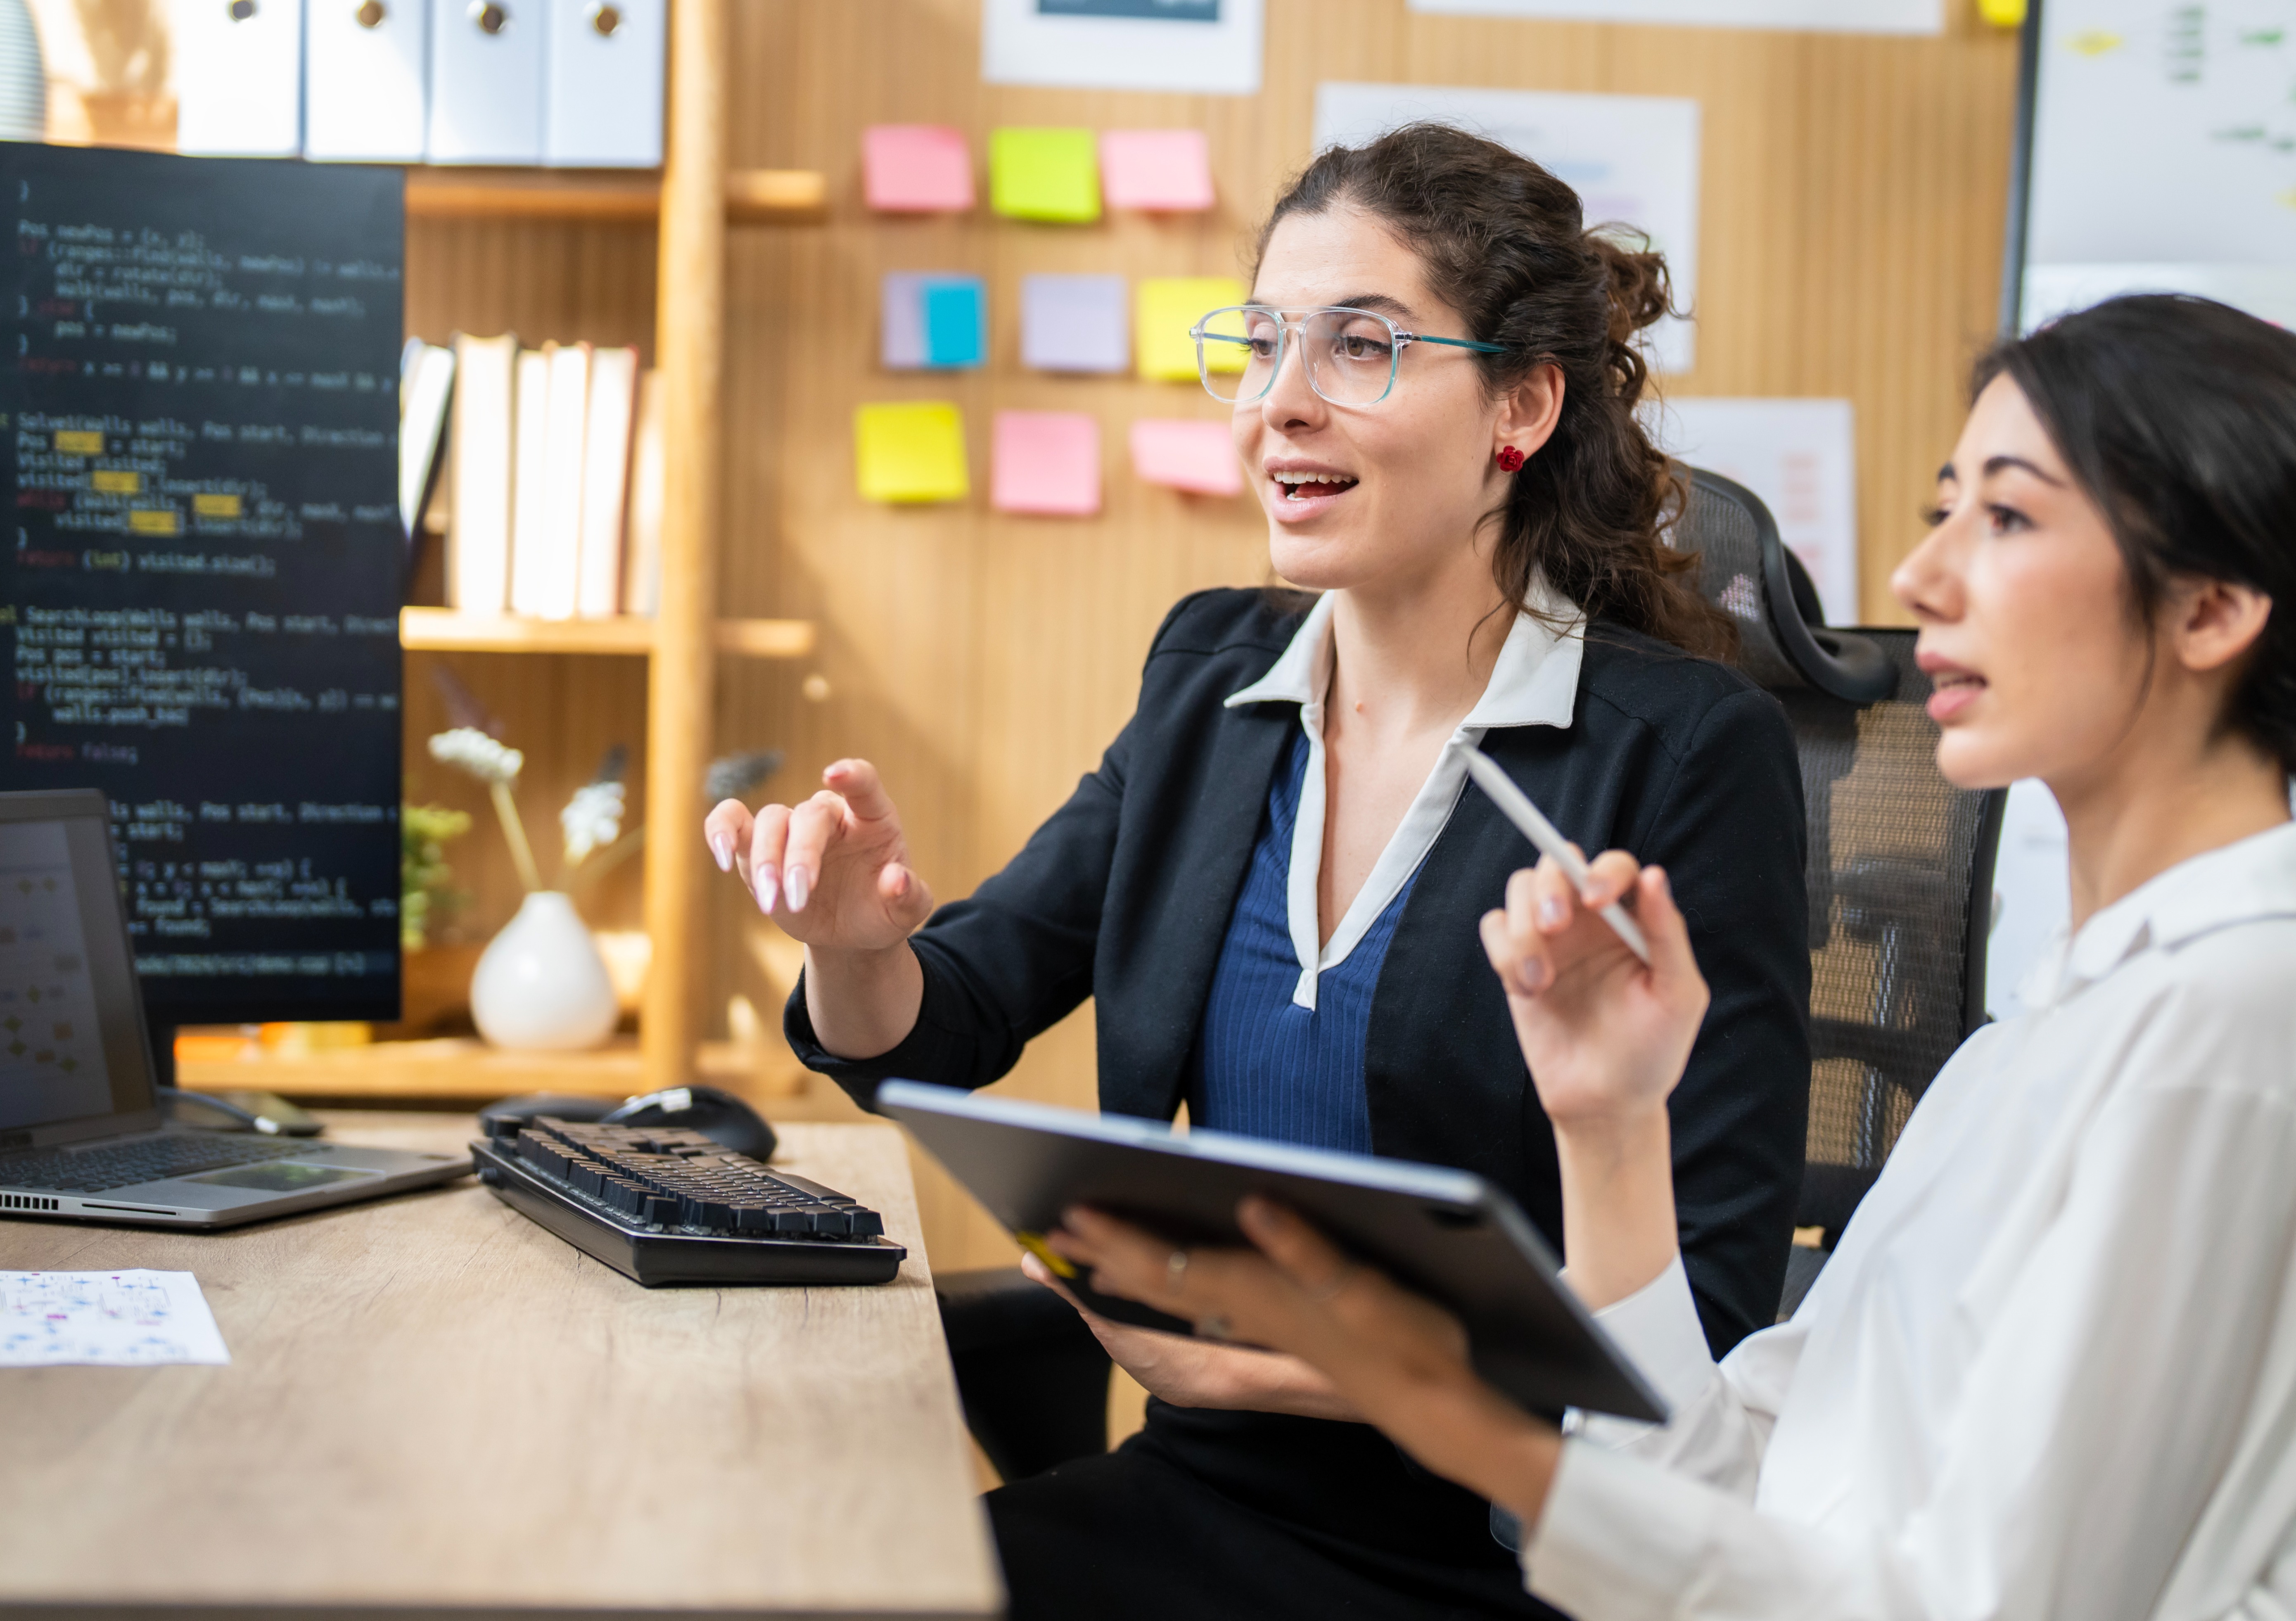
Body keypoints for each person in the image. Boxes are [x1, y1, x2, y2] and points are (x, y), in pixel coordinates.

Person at [1048, 293, 2296, 1621]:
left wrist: (1442, 1406)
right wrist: (1610, 1128)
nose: (1921, 576)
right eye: (1945, 504)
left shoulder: (2250, 1045)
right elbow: (1731, 1478)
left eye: (2010, 519)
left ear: (2215, 608)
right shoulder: (2054, 1039)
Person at [704, 125, 1818, 1619]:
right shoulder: (1212, 679)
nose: (1279, 406)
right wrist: (852, 945)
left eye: (1361, 346)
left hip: (1500, 1563)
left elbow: (1706, 1333)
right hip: (1197, 1494)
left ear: (1522, 406)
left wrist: (1274, 1367)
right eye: (1263, 344)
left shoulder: (1680, 758)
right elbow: (953, 1013)